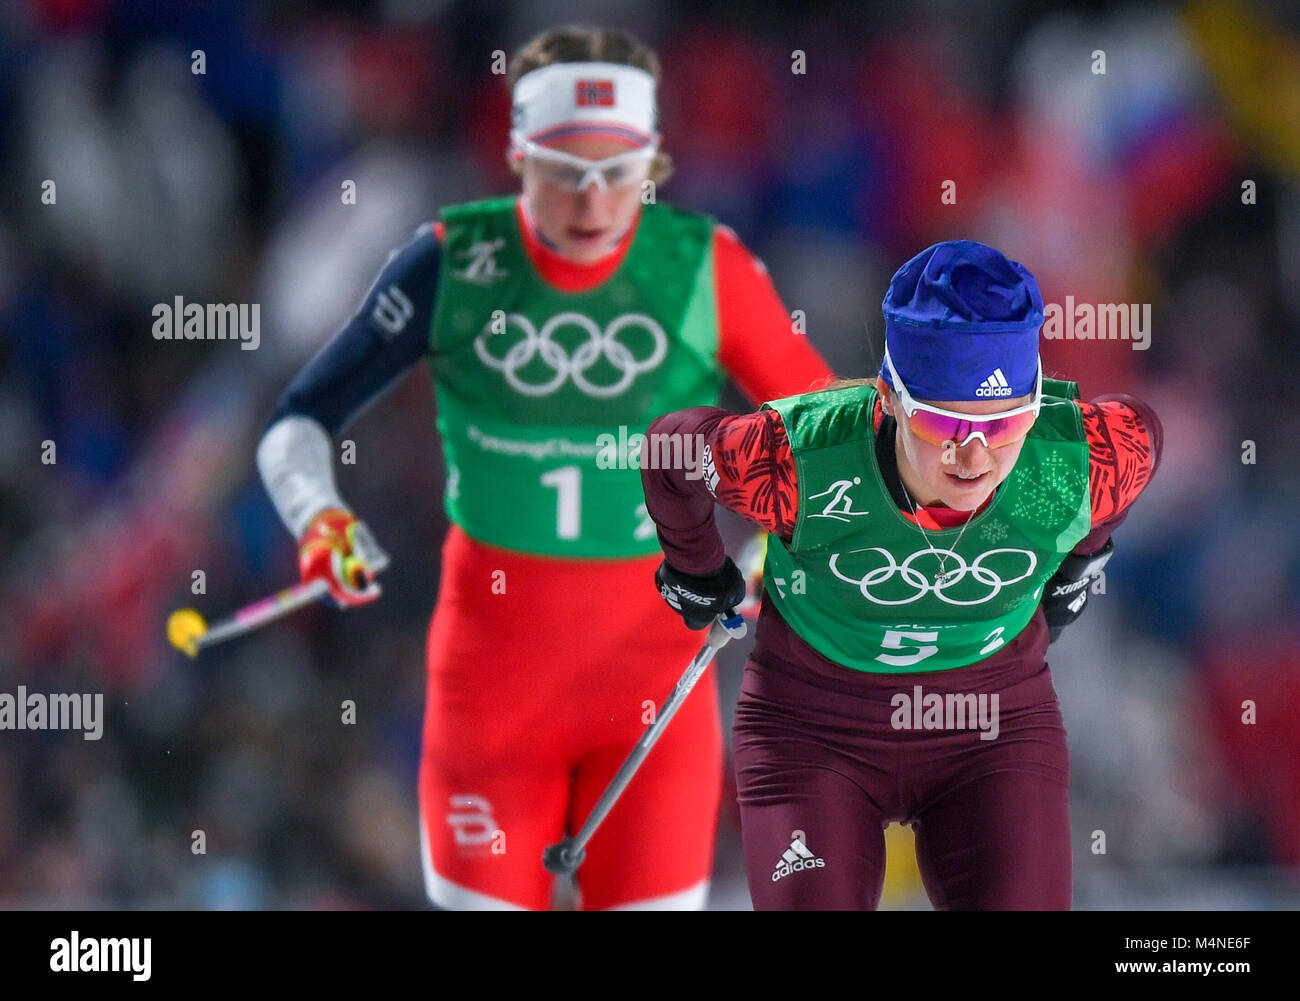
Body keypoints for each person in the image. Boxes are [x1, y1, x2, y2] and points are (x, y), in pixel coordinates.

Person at [255, 24, 832, 910]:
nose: (593, 201)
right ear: (519, 155)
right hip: (493, 694)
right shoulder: (452, 263)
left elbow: (837, 441)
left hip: (654, 691)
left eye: (618, 171)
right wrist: (317, 517)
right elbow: (296, 423)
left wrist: (770, 552)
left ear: (655, 166)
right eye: (565, 169)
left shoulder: (703, 267)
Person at [642, 240, 1163, 909]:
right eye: (945, 423)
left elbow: (1141, 444)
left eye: (1003, 425)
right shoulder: (800, 460)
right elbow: (668, 449)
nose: (974, 457)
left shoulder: (1072, 461)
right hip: (814, 732)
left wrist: (1084, 558)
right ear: (887, 397)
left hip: (989, 731)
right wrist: (696, 566)